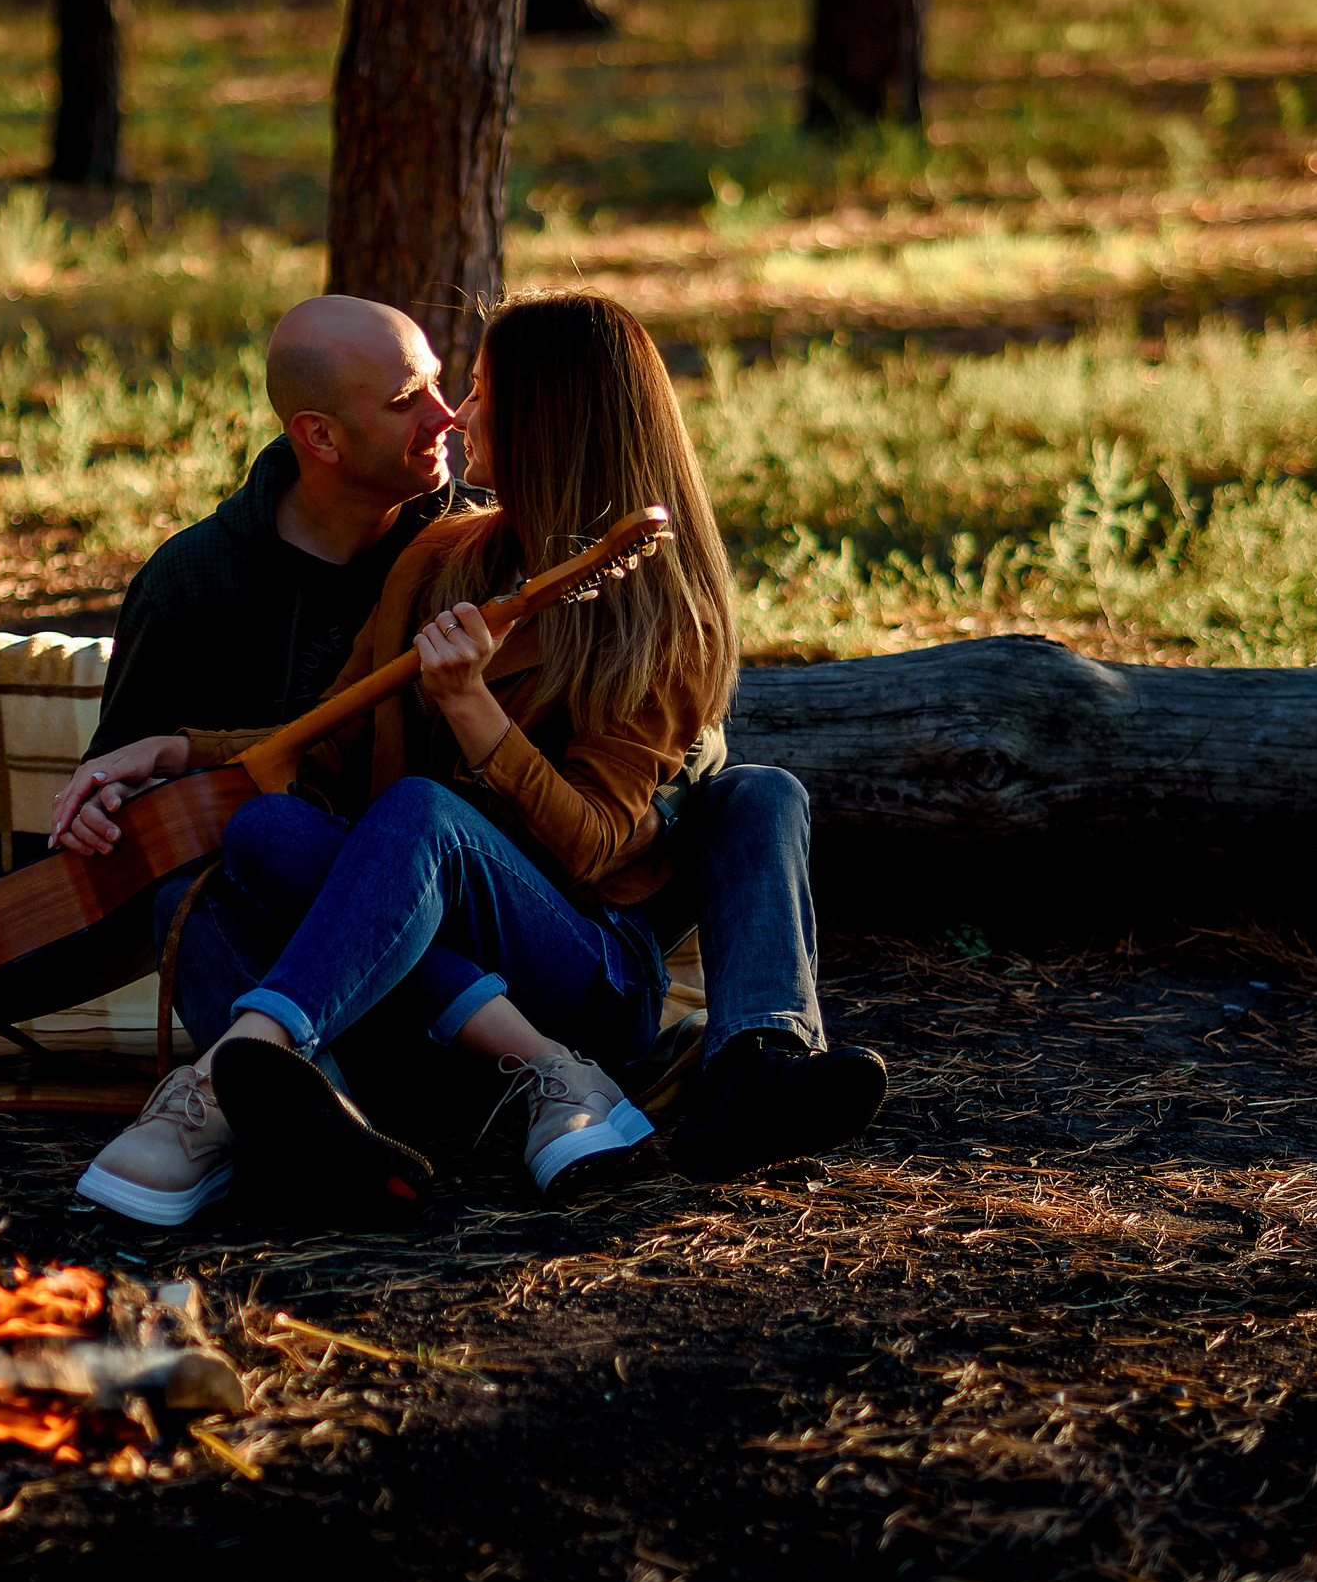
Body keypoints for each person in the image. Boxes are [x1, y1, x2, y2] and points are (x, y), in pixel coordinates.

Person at [51, 290, 887, 1227]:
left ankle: (240, 1070)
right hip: (434, 963)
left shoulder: (661, 620)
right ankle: (334, 1121)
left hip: (581, 966)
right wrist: (173, 748)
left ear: (550, 426)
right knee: (261, 833)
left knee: (423, 811)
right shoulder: (440, 556)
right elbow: (331, 738)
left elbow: (595, 845)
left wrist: (472, 709)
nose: (458, 415)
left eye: (481, 391)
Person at [86, 295, 473, 760]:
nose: (447, 416)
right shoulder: (189, 580)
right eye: (405, 400)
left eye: (435, 382)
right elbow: (119, 772)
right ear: (321, 435)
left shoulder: (483, 538)